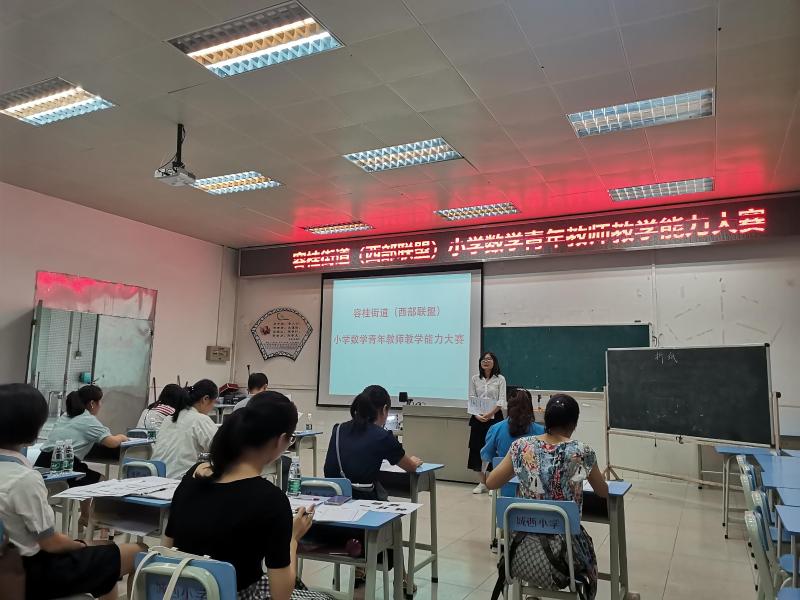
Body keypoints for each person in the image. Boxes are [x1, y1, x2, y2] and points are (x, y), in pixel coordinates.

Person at [164, 392, 332, 600]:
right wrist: (292, 537)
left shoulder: (193, 476)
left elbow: (165, 549)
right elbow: (281, 595)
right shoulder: (270, 500)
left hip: (178, 593)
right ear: (281, 440)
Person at [0, 383, 144, 600]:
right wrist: (81, 544)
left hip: (13, 564)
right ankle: (88, 520)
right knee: (137, 550)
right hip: (30, 572)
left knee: (103, 557)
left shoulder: (65, 418)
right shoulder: (24, 479)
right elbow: (50, 543)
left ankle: (86, 519)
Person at [487, 394, 608, 599]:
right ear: (574, 423)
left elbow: (491, 482)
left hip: (521, 551)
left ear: (546, 420)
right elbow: (603, 492)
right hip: (565, 557)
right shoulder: (582, 451)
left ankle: (532, 592)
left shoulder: (520, 447)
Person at [324, 385, 422, 500]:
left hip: (331, 497)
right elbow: (410, 467)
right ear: (384, 409)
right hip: (361, 499)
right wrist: (413, 462)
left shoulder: (338, 429)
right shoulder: (383, 436)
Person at [35, 385, 128, 486]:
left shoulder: (66, 415)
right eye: (100, 401)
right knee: (103, 482)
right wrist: (122, 437)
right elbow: (112, 442)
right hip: (64, 465)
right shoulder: (88, 419)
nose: (101, 405)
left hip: (41, 463)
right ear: (92, 403)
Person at [152, 379, 219, 479]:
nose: (212, 407)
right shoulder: (200, 419)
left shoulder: (168, 418)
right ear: (205, 399)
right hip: (178, 480)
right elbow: (221, 449)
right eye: (213, 402)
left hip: (155, 477)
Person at [468, 351, 506, 493]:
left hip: (494, 418)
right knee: (477, 449)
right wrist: (477, 415)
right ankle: (482, 483)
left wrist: (490, 414)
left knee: (493, 449)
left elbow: (501, 400)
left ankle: (493, 483)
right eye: (483, 359)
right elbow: (472, 398)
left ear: (494, 362)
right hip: (477, 418)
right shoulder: (475, 379)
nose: (485, 361)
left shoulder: (500, 379)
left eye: (489, 359)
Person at [480, 388, 545, 464]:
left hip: (503, 471)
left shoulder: (496, 429)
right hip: (531, 471)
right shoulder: (542, 431)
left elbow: (487, 456)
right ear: (530, 407)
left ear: (509, 405)